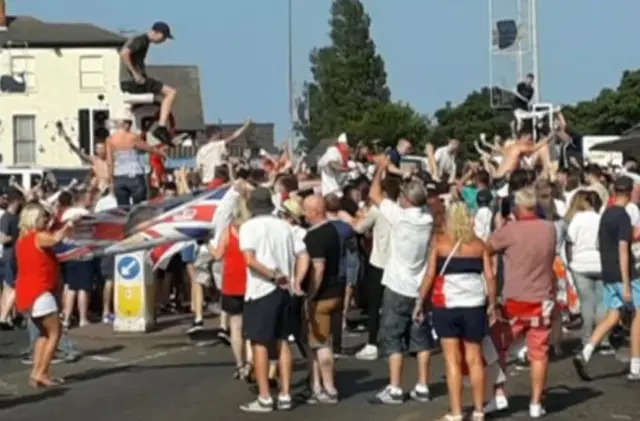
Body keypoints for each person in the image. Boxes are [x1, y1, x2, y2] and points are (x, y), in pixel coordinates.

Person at [415, 202, 496, 421]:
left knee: (452, 360)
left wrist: (420, 302)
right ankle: (479, 410)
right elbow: (489, 276)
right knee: (475, 358)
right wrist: (493, 303)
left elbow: (430, 275)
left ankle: (456, 412)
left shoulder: (440, 243)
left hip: (446, 305)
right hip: (474, 305)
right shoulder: (480, 246)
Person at [368, 156, 436, 405]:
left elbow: (374, 193)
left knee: (393, 338)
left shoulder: (400, 216)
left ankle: (395, 388)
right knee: (421, 338)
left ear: (406, 200)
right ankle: (423, 385)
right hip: (420, 286)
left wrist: (380, 169)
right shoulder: (428, 219)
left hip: (397, 286)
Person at [487, 186, 557, 418]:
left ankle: (498, 393)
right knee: (539, 353)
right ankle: (536, 402)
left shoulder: (510, 230)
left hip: (515, 298)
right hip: (542, 297)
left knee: (499, 347)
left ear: (517, 207)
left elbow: (487, 247)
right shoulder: (549, 229)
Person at [238, 187, 308, 412]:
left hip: (262, 289)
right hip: (285, 291)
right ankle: (286, 394)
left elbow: (249, 260)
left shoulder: (249, 227)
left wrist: (273, 274)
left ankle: (265, 397)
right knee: (283, 341)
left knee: (260, 343)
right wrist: (297, 279)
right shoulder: (285, 226)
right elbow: (303, 254)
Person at [573, 176, 640, 382]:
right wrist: (627, 284)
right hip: (622, 273)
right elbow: (623, 250)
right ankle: (636, 365)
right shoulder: (622, 217)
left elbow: (601, 244)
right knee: (638, 315)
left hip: (608, 271)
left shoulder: (606, 214)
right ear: (629, 192)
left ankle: (585, 352)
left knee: (612, 316)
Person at [15, 202, 73, 387]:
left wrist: (55, 222)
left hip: (28, 292)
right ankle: (42, 372)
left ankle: (37, 372)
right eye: (43, 217)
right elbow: (56, 239)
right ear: (34, 219)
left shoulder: (22, 240)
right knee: (55, 333)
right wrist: (67, 226)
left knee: (43, 333)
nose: (46, 220)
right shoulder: (38, 237)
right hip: (40, 292)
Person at [302, 195, 344, 404]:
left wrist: (311, 293)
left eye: (306, 211)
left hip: (322, 295)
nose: (304, 215)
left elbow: (319, 267)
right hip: (337, 292)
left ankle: (328, 388)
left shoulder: (314, 237)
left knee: (320, 343)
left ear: (315, 211)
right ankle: (316, 386)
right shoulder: (334, 231)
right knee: (319, 342)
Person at [211, 198, 252, 378]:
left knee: (236, 327)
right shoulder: (252, 232)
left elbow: (218, 256)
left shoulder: (228, 232)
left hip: (231, 283)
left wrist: (205, 243)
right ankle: (251, 362)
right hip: (251, 283)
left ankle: (240, 364)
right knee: (251, 328)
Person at [120, 21, 177, 145]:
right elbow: (124, 54)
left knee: (158, 92)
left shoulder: (143, 41)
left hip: (130, 81)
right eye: (164, 37)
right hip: (133, 81)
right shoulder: (141, 39)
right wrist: (135, 74)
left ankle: (138, 121)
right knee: (171, 92)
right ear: (156, 33)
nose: (164, 41)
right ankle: (161, 128)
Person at [106, 114, 163, 206]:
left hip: (119, 178)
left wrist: (111, 181)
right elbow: (148, 148)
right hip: (134, 176)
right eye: (130, 123)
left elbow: (109, 163)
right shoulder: (132, 137)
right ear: (126, 124)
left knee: (122, 209)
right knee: (139, 207)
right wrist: (159, 151)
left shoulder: (110, 140)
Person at [197, 121, 252, 185]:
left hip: (207, 183)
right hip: (219, 182)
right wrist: (245, 126)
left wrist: (203, 183)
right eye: (220, 134)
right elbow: (234, 136)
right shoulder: (218, 145)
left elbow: (199, 169)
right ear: (215, 134)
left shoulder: (201, 151)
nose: (221, 136)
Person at [0, 188, 24, 330]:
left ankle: (5, 317)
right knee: (13, 287)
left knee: (8, 288)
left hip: (14, 255)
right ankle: (4, 317)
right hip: (10, 256)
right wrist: (17, 238)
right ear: (15, 201)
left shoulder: (17, 216)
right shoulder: (7, 217)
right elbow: (2, 238)